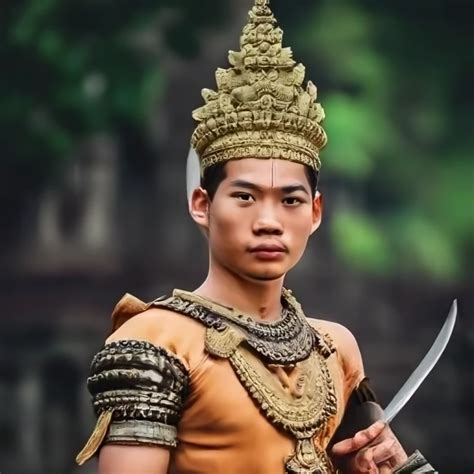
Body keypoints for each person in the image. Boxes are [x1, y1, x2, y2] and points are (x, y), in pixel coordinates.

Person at [76, 1, 436, 472]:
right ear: (202, 205)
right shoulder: (156, 342)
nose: (269, 220)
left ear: (316, 212)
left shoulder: (336, 348)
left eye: (290, 200)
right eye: (245, 197)